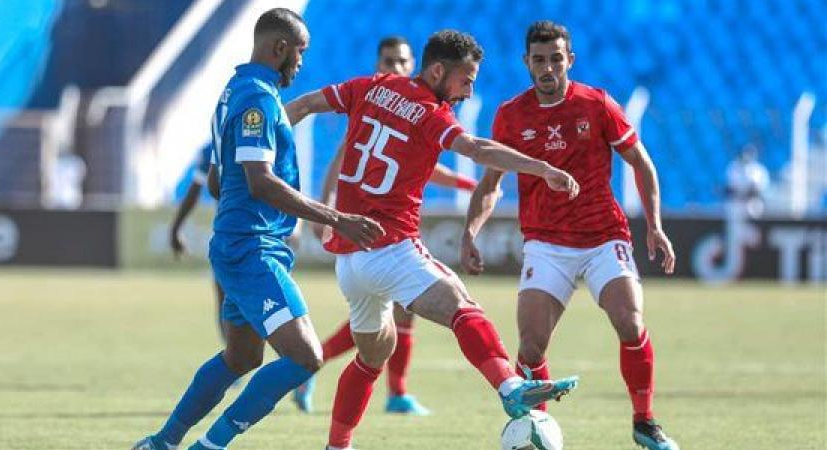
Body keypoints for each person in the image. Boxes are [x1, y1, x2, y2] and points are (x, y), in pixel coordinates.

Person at [286, 29, 580, 450]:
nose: (469, 90)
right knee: (462, 307)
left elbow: (307, 103)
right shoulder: (430, 112)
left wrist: (268, 131)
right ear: (439, 70)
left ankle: (337, 446)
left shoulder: (372, 85)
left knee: (371, 358)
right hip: (390, 248)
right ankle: (510, 386)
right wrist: (542, 168)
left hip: (350, 262)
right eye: (466, 79)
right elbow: (477, 147)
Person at [131, 9, 384, 450]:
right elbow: (260, 180)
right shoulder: (259, 101)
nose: (301, 63)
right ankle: (207, 446)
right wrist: (336, 218)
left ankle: (162, 441)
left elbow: (216, 179)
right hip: (252, 250)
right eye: (300, 53)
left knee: (242, 356)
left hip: (238, 244)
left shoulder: (233, 91)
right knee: (306, 356)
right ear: (280, 48)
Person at [460, 21, 679, 450]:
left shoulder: (596, 105)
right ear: (526, 62)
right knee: (531, 347)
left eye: (555, 59)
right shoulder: (511, 114)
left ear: (569, 60)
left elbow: (642, 164)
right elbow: (491, 185)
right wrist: (470, 233)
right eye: (538, 60)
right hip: (546, 242)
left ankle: (645, 422)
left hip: (603, 237)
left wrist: (654, 225)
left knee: (630, 322)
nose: (547, 68)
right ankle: (537, 429)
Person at [295, 35, 479, 416]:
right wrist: (327, 211)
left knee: (393, 315)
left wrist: (468, 184)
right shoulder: (372, 100)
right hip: (365, 230)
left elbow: (426, 169)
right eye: (388, 61)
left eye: (402, 62)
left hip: (393, 227)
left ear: (417, 66)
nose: (395, 68)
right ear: (378, 63)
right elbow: (341, 162)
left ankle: (390, 391)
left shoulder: (413, 106)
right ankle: (319, 364)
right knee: (387, 315)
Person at [169, 142, 228, 342]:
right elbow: (196, 188)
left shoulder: (215, 145)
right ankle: (233, 361)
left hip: (237, 236)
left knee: (227, 302)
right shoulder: (213, 146)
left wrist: (175, 228)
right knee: (226, 301)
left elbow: (195, 190)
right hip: (231, 237)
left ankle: (234, 361)